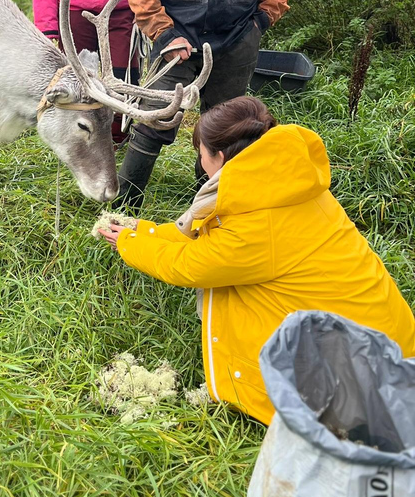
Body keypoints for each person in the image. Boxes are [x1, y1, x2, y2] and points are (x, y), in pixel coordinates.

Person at [98, 96, 415, 424]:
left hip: (367, 386)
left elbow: (190, 264)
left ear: (218, 157)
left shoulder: (256, 223)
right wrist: (144, 231)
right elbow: (212, 242)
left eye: (200, 153)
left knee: (229, 296)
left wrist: (128, 244)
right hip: (387, 345)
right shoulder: (286, 183)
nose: (200, 161)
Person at [114, 0, 290, 209]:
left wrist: (260, 21)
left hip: (238, 39)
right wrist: (163, 33)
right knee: (154, 119)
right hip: (176, 38)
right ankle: (123, 209)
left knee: (227, 129)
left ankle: (210, 209)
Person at [33, 0, 140, 144]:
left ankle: (116, 139)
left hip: (122, 11)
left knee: (122, 78)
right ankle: (75, 139)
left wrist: (144, 9)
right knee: (74, 84)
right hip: (74, 11)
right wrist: (46, 26)